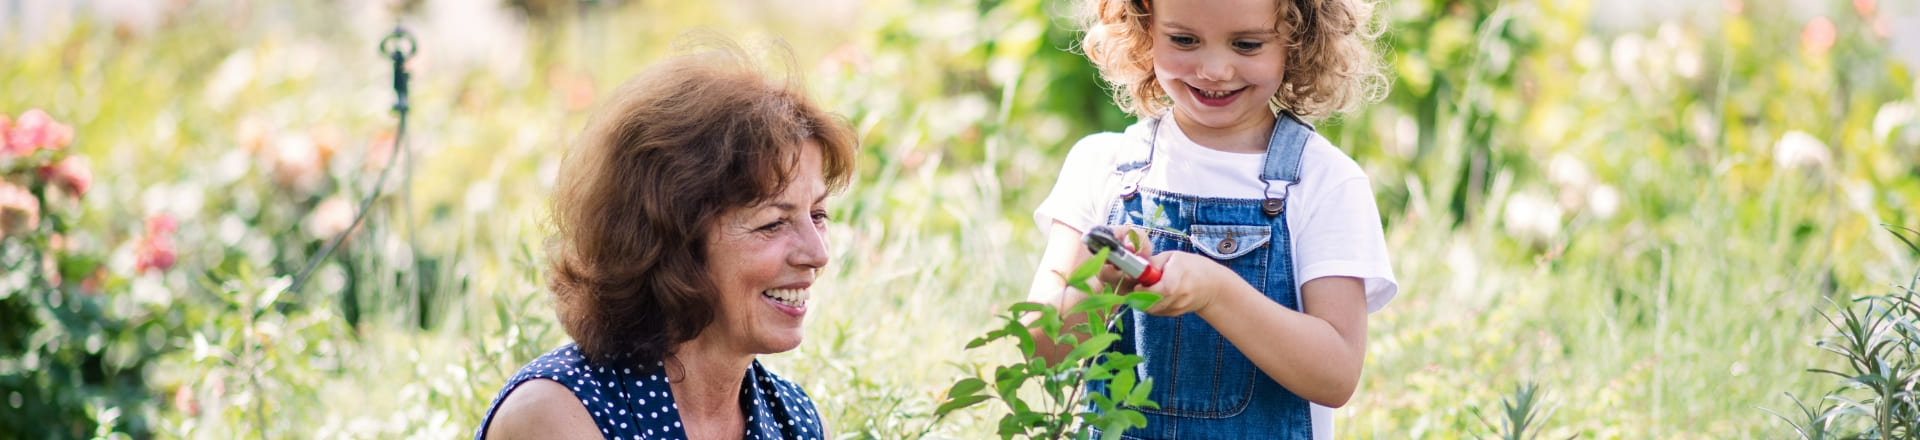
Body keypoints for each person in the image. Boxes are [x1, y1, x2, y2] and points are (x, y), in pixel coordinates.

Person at [1025, 0, 1398, 438]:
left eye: (1246, 44)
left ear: (1297, 40)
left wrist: (1216, 293)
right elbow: (1039, 353)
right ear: (1144, 29)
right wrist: (1100, 283)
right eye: (1184, 40)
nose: (1215, 69)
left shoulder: (1323, 181)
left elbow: (1335, 375)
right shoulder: (1102, 165)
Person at [476, 39, 856, 440]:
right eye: (772, 223)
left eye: (818, 215)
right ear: (674, 242)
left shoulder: (800, 424)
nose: (818, 253)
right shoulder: (556, 417)